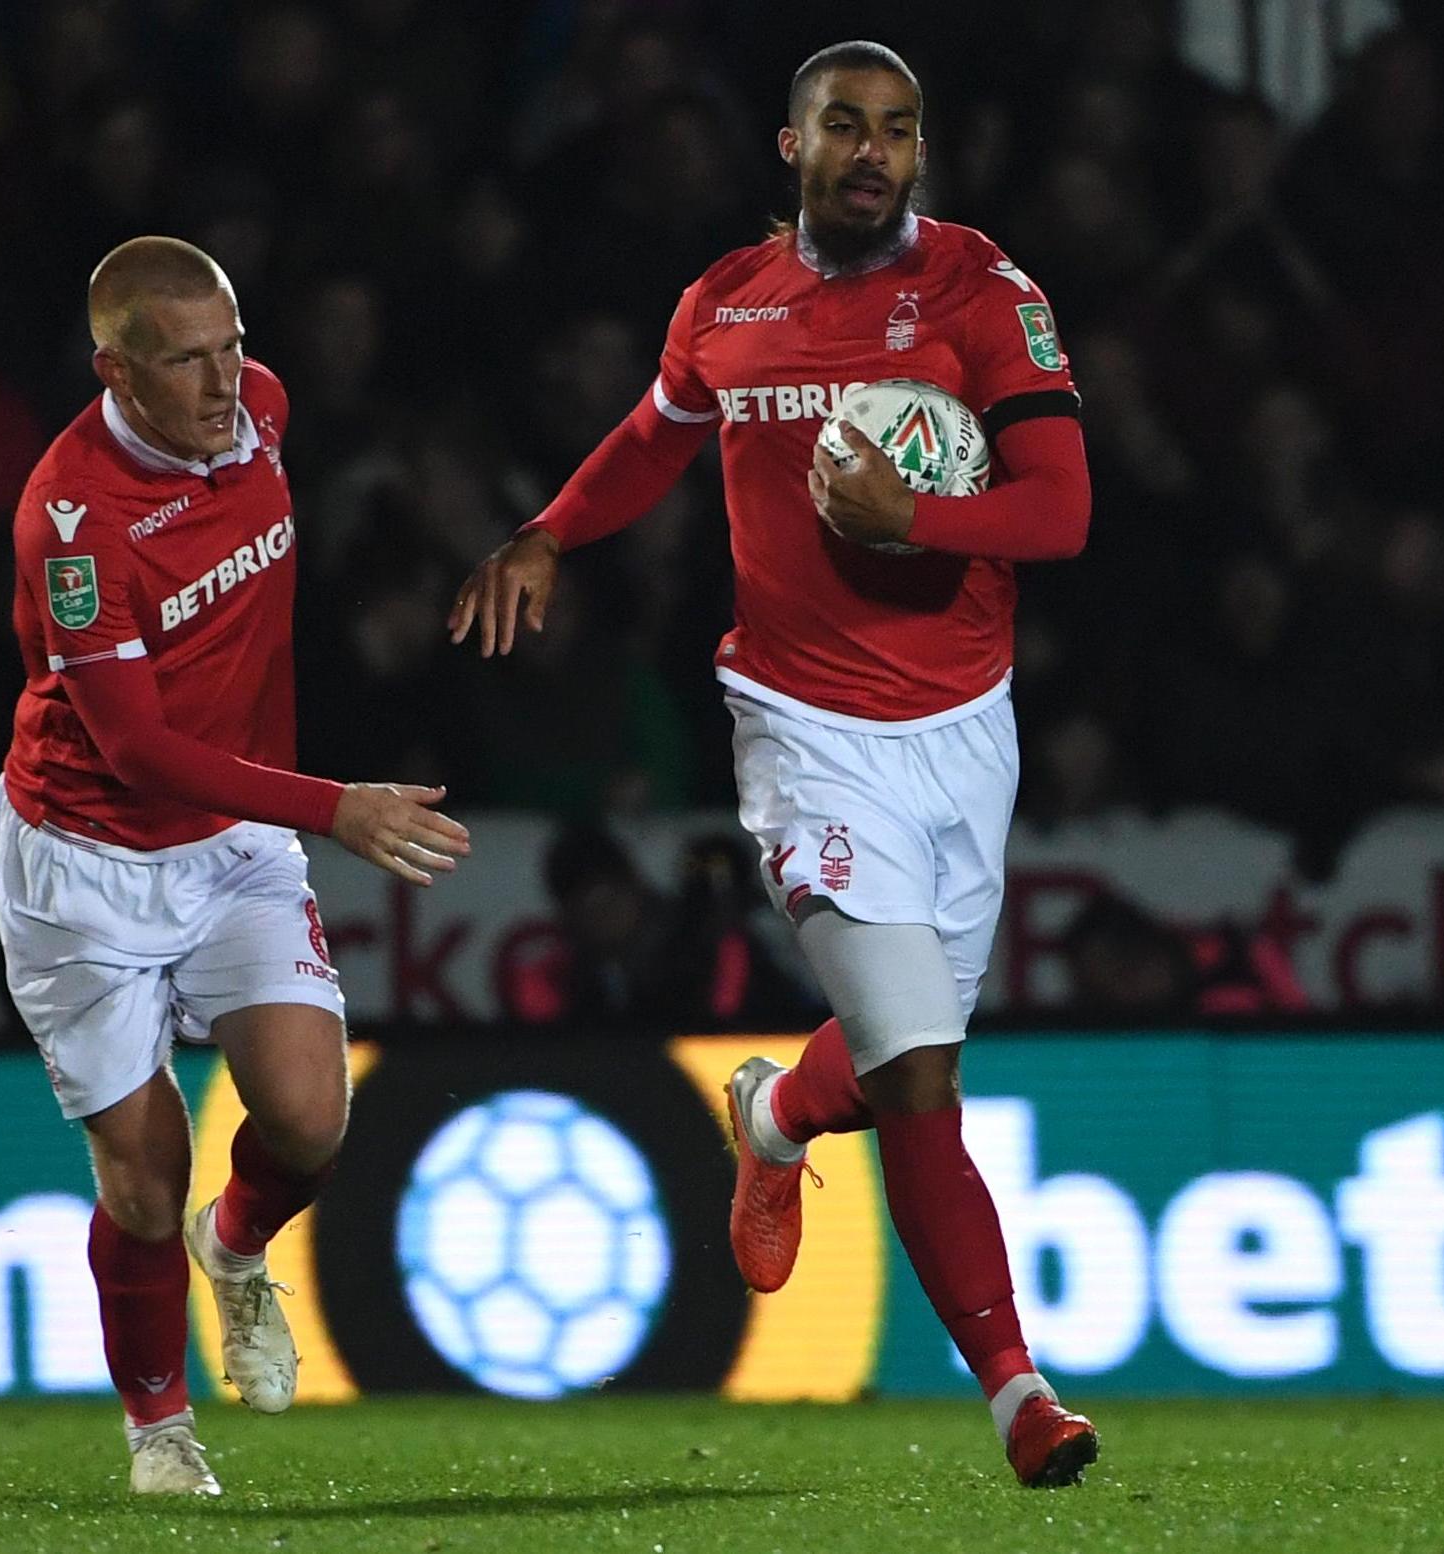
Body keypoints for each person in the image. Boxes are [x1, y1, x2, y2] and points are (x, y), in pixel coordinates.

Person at [450, 42, 1098, 1487]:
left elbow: (1058, 510)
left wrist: (905, 521)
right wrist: (550, 530)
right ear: (787, 146)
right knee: (920, 1066)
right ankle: (1016, 1392)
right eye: (844, 127)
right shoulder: (723, 304)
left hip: (961, 727)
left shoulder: (983, 294)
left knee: (885, 1062)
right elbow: (648, 436)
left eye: (897, 130)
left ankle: (770, 1110)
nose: (873, 151)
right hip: (802, 731)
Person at [0, 236, 469, 1496]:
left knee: (309, 1119)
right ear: (115, 370)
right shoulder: (74, 522)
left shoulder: (260, 414)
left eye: (234, 344)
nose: (226, 381)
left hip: (234, 840)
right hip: (88, 858)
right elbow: (139, 750)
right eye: (188, 360)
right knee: (141, 1182)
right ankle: (160, 1431)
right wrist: (336, 807)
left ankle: (238, 1246)